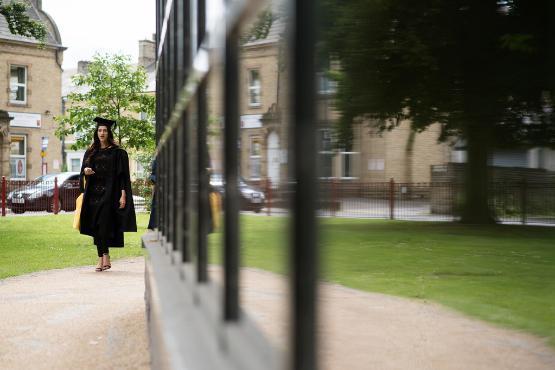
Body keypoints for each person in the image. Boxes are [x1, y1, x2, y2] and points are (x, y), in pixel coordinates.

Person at [79, 117, 137, 272]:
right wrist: (86, 171)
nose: (102, 133)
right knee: (96, 226)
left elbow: (123, 176)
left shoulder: (118, 153)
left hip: (110, 194)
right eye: (99, 130)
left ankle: (103, 256)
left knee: (103, 225)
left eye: (104, 130)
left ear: (109, 132)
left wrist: (123, 195)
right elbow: (84, 169)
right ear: (96, 132)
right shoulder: (91, 151)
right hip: (93, 194)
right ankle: (103, 256)